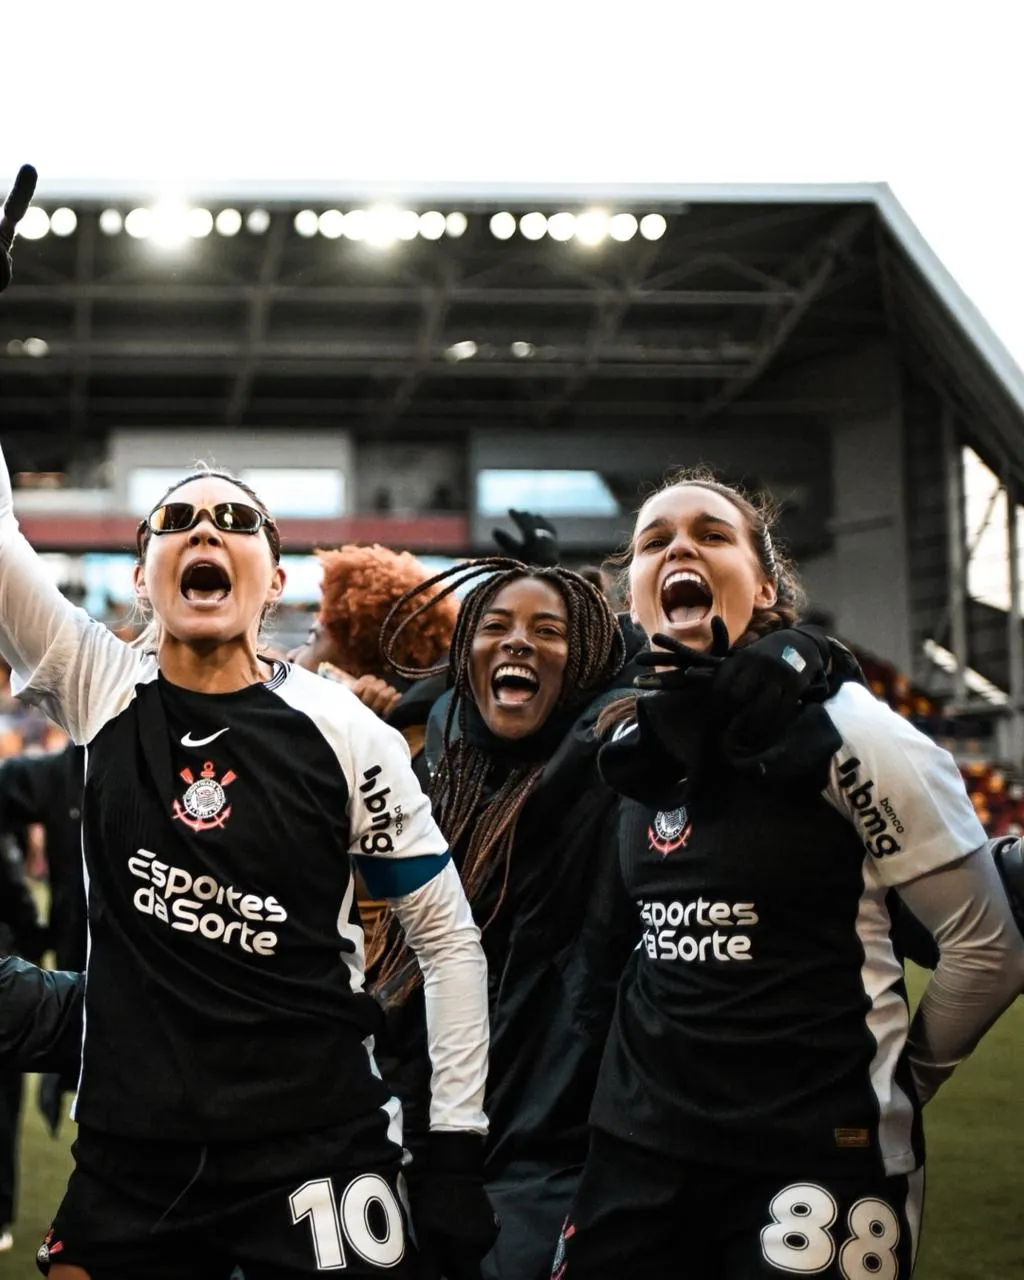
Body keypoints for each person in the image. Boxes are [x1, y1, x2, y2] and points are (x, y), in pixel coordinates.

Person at [0, 442, 495, 1280]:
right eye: (176, 520)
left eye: (235, 519)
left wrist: (455, 1145)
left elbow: (446, 942)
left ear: (274, 580)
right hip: (135, 1153)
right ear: (141, 578)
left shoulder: (348, 733)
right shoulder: (99, 686)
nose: (205, 531)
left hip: (317, 1145)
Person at [555, 470, 1024, 1279]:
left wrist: (902, 1083)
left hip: (814, 1161)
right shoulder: (626, 744)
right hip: (638, 1152)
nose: (679, 549)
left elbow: (988, 948)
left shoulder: (855, 733)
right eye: (654, 541)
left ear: (766, 586)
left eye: (711, 534)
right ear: (631, 597)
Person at [369, 557, 635, 1280]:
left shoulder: (619, 767)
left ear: (587, 662)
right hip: (426, 1144)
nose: (518, 640)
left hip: (558, 1156)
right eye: (495, 625)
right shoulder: (439, 769)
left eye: (549, 631)